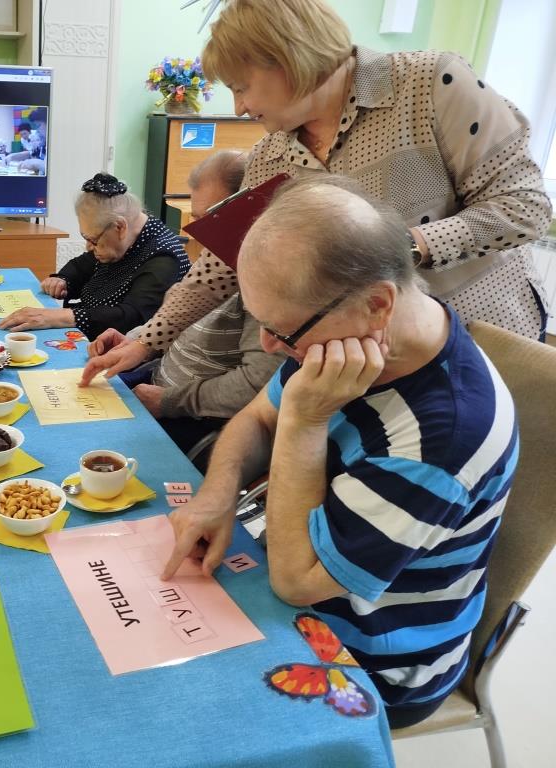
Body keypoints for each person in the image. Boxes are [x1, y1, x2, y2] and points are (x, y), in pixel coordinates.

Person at [163, 176, 518, 728]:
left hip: (377, 663)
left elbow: (295, 580)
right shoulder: (353, 334)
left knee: (168, 707)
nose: (268, 347)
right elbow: (258, 417)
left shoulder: (443, 437)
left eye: (281, 331)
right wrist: (218, 491)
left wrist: (306, 419)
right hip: (296, 561)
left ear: (377, 304)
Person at [82, 0, 552, 387]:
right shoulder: (271, 155)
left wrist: (397, 249)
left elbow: (526, 207)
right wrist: (146, 339)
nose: (239, 107)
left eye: (243, 88)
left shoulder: (430, 85)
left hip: (482, 337)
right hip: (372, 359)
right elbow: (223, 266)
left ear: (289, 59)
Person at [104, 152, 284, 457]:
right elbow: (173, 320)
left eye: (209, 218)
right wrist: (135, 340)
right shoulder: (211, 262)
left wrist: (169, 401)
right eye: (196, 218)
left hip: (190, 415)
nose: (200, 233)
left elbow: (256, 384)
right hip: (156, 380)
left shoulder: (265, 288)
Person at [0, 173, 189, 339]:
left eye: (93, 240)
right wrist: (64, 279)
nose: (89, 247)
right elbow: (84, 263)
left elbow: (132, 317)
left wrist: (59, 316)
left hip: (117, 345)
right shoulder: (122, 238)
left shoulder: (164, 257)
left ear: (120, 227)